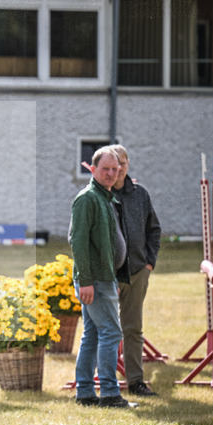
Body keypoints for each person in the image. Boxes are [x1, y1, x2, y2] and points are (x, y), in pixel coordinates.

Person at [69, 146, 136, 408]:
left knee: (94, 334)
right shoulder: (87, 198)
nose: (110, 173)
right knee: (111, 333)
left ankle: (85, 392)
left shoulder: (105, 197)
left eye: (114, 169)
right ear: (93, 169)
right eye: (105, 169)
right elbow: (78, 241)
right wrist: (86, 280)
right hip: (93, 280)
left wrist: (113, 278)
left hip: (103, 279)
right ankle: (109, 394)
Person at [110, 145, 162, 397]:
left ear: (128, 164)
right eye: (112, 164)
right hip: (107, 276)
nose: (117, 169)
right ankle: (106, 382)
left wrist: (149, 263)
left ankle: (135, 382)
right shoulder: (100, 195)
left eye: (121, 163)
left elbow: (154, 229)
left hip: (137, 272)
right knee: (106, 330)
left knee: (132, 329)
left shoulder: (140, 195)